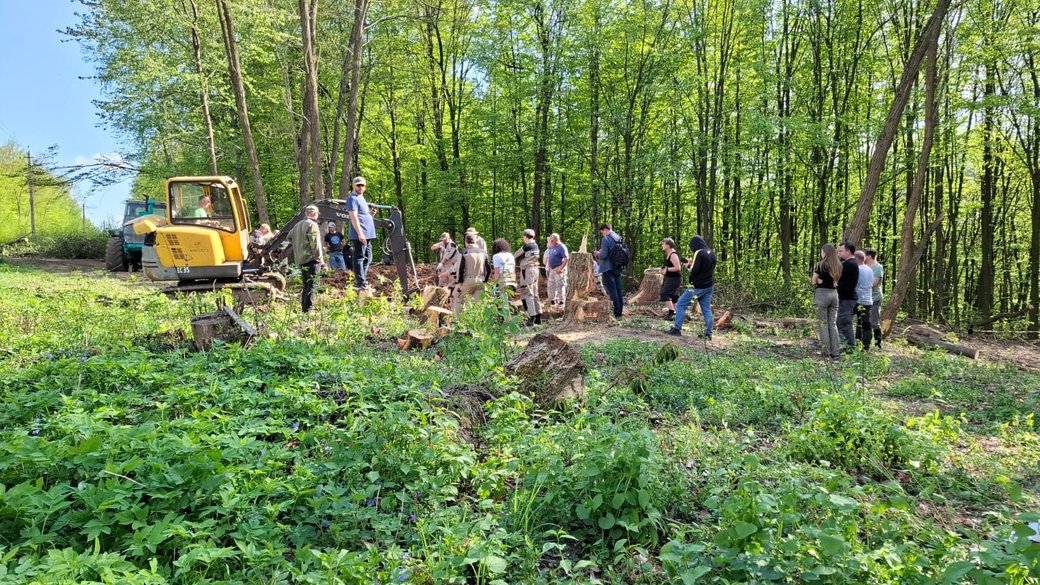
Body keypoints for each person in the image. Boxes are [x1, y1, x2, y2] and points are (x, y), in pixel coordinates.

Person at [667, 235, 717, 339]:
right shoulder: (712, 253)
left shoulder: (699, 252)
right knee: (706, 309)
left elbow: (695, 271)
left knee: (680, 304)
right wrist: (692, 263)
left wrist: (688, 266)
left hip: (697, 286)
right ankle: (708, 333)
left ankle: (677, 329)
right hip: (709, 285)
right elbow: (707, 268)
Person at [288, 205, 325, 313]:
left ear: (306, 213)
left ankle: (304, 308)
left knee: (306, 285)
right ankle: (309, 310)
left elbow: (289, 237)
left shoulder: (297, 225)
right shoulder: (312, 224)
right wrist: (320, 258)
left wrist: (298, 245)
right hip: (311, 259)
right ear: (315, 214)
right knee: (313, 284)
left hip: (301, 259)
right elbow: (315, 243)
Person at [346, 176, 378, 290]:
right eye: (358, 185)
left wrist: (370, 214)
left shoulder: (362, 198)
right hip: (361, 234)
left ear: (365, 187)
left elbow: (362, 215)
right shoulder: (352, 198)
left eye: (362, 185)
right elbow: (353, 217)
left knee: (368, 257)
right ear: (353, 185)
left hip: (368, 233)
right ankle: (360, 283)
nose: (360, 187)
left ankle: (362, 280)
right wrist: (360, 233)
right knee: (359, 257)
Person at [811, 244, 842, 359]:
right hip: (834, 294)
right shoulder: (839, 265)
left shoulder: (821, 264)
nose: (821, 253)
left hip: (822, 294)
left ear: (825, 252)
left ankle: (826, 351)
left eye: (822, 251)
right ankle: (836, 352)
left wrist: (819, 280)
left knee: (823, 323)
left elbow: (814, 281)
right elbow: (836, 280)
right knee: (832, 324)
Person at [452, 233, 491, 315]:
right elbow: (488, 269)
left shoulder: (464, 253)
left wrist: (459, 282)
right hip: (481, 281)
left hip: (467, 280)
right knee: (478, 305)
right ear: (476, 242)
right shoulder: (484, 253)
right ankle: (477, 324)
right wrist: (485, 281)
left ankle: (457, 322)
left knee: (458, 299)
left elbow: (460, 269)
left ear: (466, 242)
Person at [515, 228, 543, 326]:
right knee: (535, 293)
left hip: (528, 270)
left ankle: (532, 316)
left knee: (528, 292)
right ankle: (538, 316)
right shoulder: (536, 246)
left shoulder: (527, 246)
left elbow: (516, 255)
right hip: (536, 269)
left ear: (525, 236)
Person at [836, 242, 860, 352]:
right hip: (845, 298)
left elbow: (833, 268)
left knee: (845, 322)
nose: (838, 253)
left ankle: (850, 346)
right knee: (840, 321)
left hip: (847, 298)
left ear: (848, 252)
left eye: (840, 251)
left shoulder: (849, 264)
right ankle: (840, 344)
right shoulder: (848, 263)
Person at [598, 224, 625, 319]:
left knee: (612, 290)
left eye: (602, 232)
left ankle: (616, 312)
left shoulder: (606, 239)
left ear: (605, 230)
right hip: (617, 267)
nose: (602, 234)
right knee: (618, 290)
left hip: (608, 267)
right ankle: (620, 311)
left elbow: (604, 255)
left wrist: (598, 253)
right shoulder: (618, 238)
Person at [854, 250, 874, 350]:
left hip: (858, 299)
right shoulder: (870, 270)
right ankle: (866, 344)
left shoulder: (857, 269)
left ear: (855, 258)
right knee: (865, 322)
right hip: (868, 300)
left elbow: (855, 284)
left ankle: (854, 342)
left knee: (852, 320)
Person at [865, 248, 884, 348]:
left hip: (875, 298)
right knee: (865, 320)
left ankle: (878, 344)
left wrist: (862, 284)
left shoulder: (877, 267)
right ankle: (866, 342)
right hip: (865, 297)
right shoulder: (865, 266)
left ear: (868, 256)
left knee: (874, 321)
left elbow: (875, 283)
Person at [659, 238, 682, 320]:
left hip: (675, 279)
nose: (662, 245)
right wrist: (665, 270)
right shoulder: (669, 253)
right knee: (673, 297)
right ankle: (677, 315)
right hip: (671, 278)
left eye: (663, 244)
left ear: (668, 245)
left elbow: (678, 268)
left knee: (664, 294)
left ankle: (672, 313)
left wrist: (667, 269)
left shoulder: (673, 254)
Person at [544, 233, 569, 308]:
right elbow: (549, 257)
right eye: (550, 241)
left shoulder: (561, 247)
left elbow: (566, 258)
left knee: (560, 285)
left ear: (556, 240)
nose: (551, 242)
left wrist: (561, 268)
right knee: (551, 285)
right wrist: (548, 266)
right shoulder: (552, 246)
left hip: (559, 269)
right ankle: (551, 300)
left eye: (552, 241)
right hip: (552, 269)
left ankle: (562, 301)